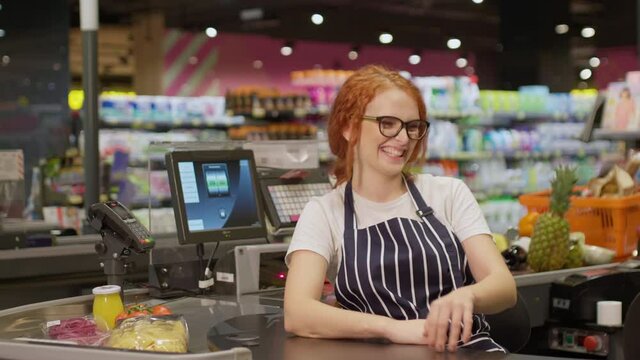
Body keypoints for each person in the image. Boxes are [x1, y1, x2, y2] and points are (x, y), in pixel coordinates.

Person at [284, 65, 517, 353]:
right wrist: (392, 329)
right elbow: (297, 313)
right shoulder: (323, 212)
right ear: (348, 126)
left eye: (412, 126)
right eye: (388, 123)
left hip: (466, 351)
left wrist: (468, 296)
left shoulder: (448, 193)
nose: (404, 138)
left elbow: (504, 287)